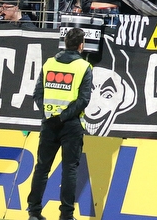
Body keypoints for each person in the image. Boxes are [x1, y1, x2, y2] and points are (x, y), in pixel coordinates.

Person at [27, 28, 93, 220]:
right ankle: (66, 215)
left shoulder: (49, 64)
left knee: (42, 168)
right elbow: (83, 100)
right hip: (70, 125)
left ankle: (34, 212)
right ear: (81, 45)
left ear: (65, 43)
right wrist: (63, 117)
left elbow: (37, 94)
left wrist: (50, 114)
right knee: (69, 169)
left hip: (49, 123)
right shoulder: (83, 67)